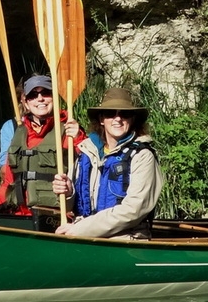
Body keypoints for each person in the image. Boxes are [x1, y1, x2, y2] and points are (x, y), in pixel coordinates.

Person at [51, 87, 164, 238]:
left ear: (132, 119)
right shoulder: (87, 151)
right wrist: (68, 192)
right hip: (83, 235)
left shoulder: (142, 156)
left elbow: (134, 210)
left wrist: (81, 229)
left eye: (125, 114)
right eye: (111, 113)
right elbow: (70, 205)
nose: (118, 119)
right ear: (101, 119)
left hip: (125, 238)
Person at [0, 74, 66, 214]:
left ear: (54, 97)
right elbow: (8, 186)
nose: (40, 98)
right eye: (33, 95)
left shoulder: (69, 133)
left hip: (56, 218)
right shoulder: (18, 136)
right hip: (21, 215)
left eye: (45, 92)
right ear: (25, 102)